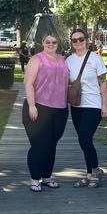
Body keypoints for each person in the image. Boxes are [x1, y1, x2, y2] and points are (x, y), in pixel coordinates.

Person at [22, 33, 69, 192]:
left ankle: (47, 177)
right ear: (42, 43)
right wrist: (32, 105)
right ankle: (35, 179)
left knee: (51, 145)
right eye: (47, 42)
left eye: (54, 42)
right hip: (39, 107)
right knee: (40, 145)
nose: (51, 44)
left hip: (60, 109)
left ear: (58, 43)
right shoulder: (36, 59)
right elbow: (28, 83)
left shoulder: (63, 59)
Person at [66, 28, 107, 188]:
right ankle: (90, 174)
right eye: (74, 40)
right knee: (85, 141)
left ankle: (96, 169)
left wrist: (105, 105)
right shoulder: (68, 61)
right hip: (77, 106)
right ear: (71, 43)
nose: (78, 42)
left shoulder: (95, 59)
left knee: (84, 138)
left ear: (87, 41)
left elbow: (103, 83)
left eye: (81, 39)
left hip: (93, 105)